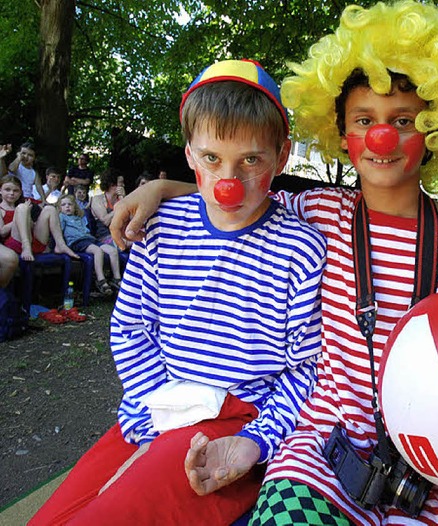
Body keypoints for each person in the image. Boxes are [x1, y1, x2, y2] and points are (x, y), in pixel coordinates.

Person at [112, 2, 438, 525]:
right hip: (317, 462)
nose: (381, 138)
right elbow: (233, 197)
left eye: (402, 121)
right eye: (364, 120)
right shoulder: (319, 213)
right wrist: (162, 188)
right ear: (341, 131)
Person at [29, 59, 326, 526]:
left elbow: (305, 369)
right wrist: (154, 414)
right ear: (189, 154)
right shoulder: (162, 226)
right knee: (54, 515)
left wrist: (259, 439)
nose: (229, 183)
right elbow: (131, 327)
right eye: (212, 159)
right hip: (157, 407)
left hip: (235, 420)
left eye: (251, 160)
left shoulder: (301, 248)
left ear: (282, 157)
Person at [58, 194, 121, 295]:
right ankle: (100, 280)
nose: (67, 206)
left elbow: (86, 230)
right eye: (63, 205)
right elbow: (59, 231)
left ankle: (116, 279)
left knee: (112, 251)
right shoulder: (62, 217)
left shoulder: (79, 217)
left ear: (75, 207)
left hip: (90, 240)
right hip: (77, 242)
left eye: (70, 204)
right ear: (59, 208)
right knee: (97, 251)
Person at [90, 169, 124, 247]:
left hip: (122, 235)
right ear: (112, 184)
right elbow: (106, 220)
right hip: (105, 238)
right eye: (121, 183)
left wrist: (124, 200)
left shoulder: (122, 199)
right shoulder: (97, 200)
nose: (123, 186)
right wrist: (122, 204)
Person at [0, 175, 21, 286]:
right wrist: (19, 219)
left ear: (20, 193)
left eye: (15, 190)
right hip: (7, 242)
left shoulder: (21, 208)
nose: (12, 193)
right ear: (0, 190)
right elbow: (2, 232)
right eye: (7, 190)